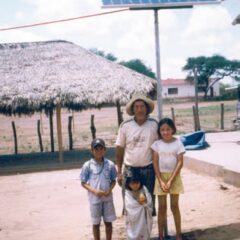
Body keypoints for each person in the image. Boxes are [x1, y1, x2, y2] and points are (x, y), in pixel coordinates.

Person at [116, 94, 158, 215]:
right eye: (137, 107)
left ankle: (146, 232)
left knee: (147, 204)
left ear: (147, 108)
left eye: (142, 106)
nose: (140, 109)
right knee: (130, 204)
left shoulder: (154, 124)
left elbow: (159, 147)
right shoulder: (125, 126)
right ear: (133, 110)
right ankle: (133, 233)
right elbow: (119, 149)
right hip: (130, 170)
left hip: (149, 169)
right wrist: (119, 172)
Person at [151, 118, 185, 240]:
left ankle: (179, 235)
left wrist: (170, 180)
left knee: (174, 206)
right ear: (159, 131)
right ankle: (160, 236)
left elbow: (180, 162)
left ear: (173, 130)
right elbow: (155, 162)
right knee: (162, 207)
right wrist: (160, 180)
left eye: (168, 129)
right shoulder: (156, 145)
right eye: (162, 130)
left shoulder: (178, 143)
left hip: (174, 177)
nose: (165, 132)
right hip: (160, 177)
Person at [80, 138, 117, 240]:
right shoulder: (87, 165)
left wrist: (110, 190)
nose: (99, 151)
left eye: (101, 149)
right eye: (96, 149)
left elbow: (114, 180)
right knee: (96, 223)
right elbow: (83, 183)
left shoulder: (110, 164)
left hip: (107, 198)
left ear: (105, 150)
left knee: (108, 222)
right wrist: (94, 191)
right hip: (94, 199)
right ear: (92, 151)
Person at [125, 169, 153, 240]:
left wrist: (144, 204)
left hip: (143, 217)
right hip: (133, 219)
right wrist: (137, 205)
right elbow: (128, 206)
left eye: (137, 183)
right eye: (132, 183)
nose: (135, 186)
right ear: (128, 184)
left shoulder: (144, 189)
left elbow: (149, 202)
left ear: (140, 182)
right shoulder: (127, 193)